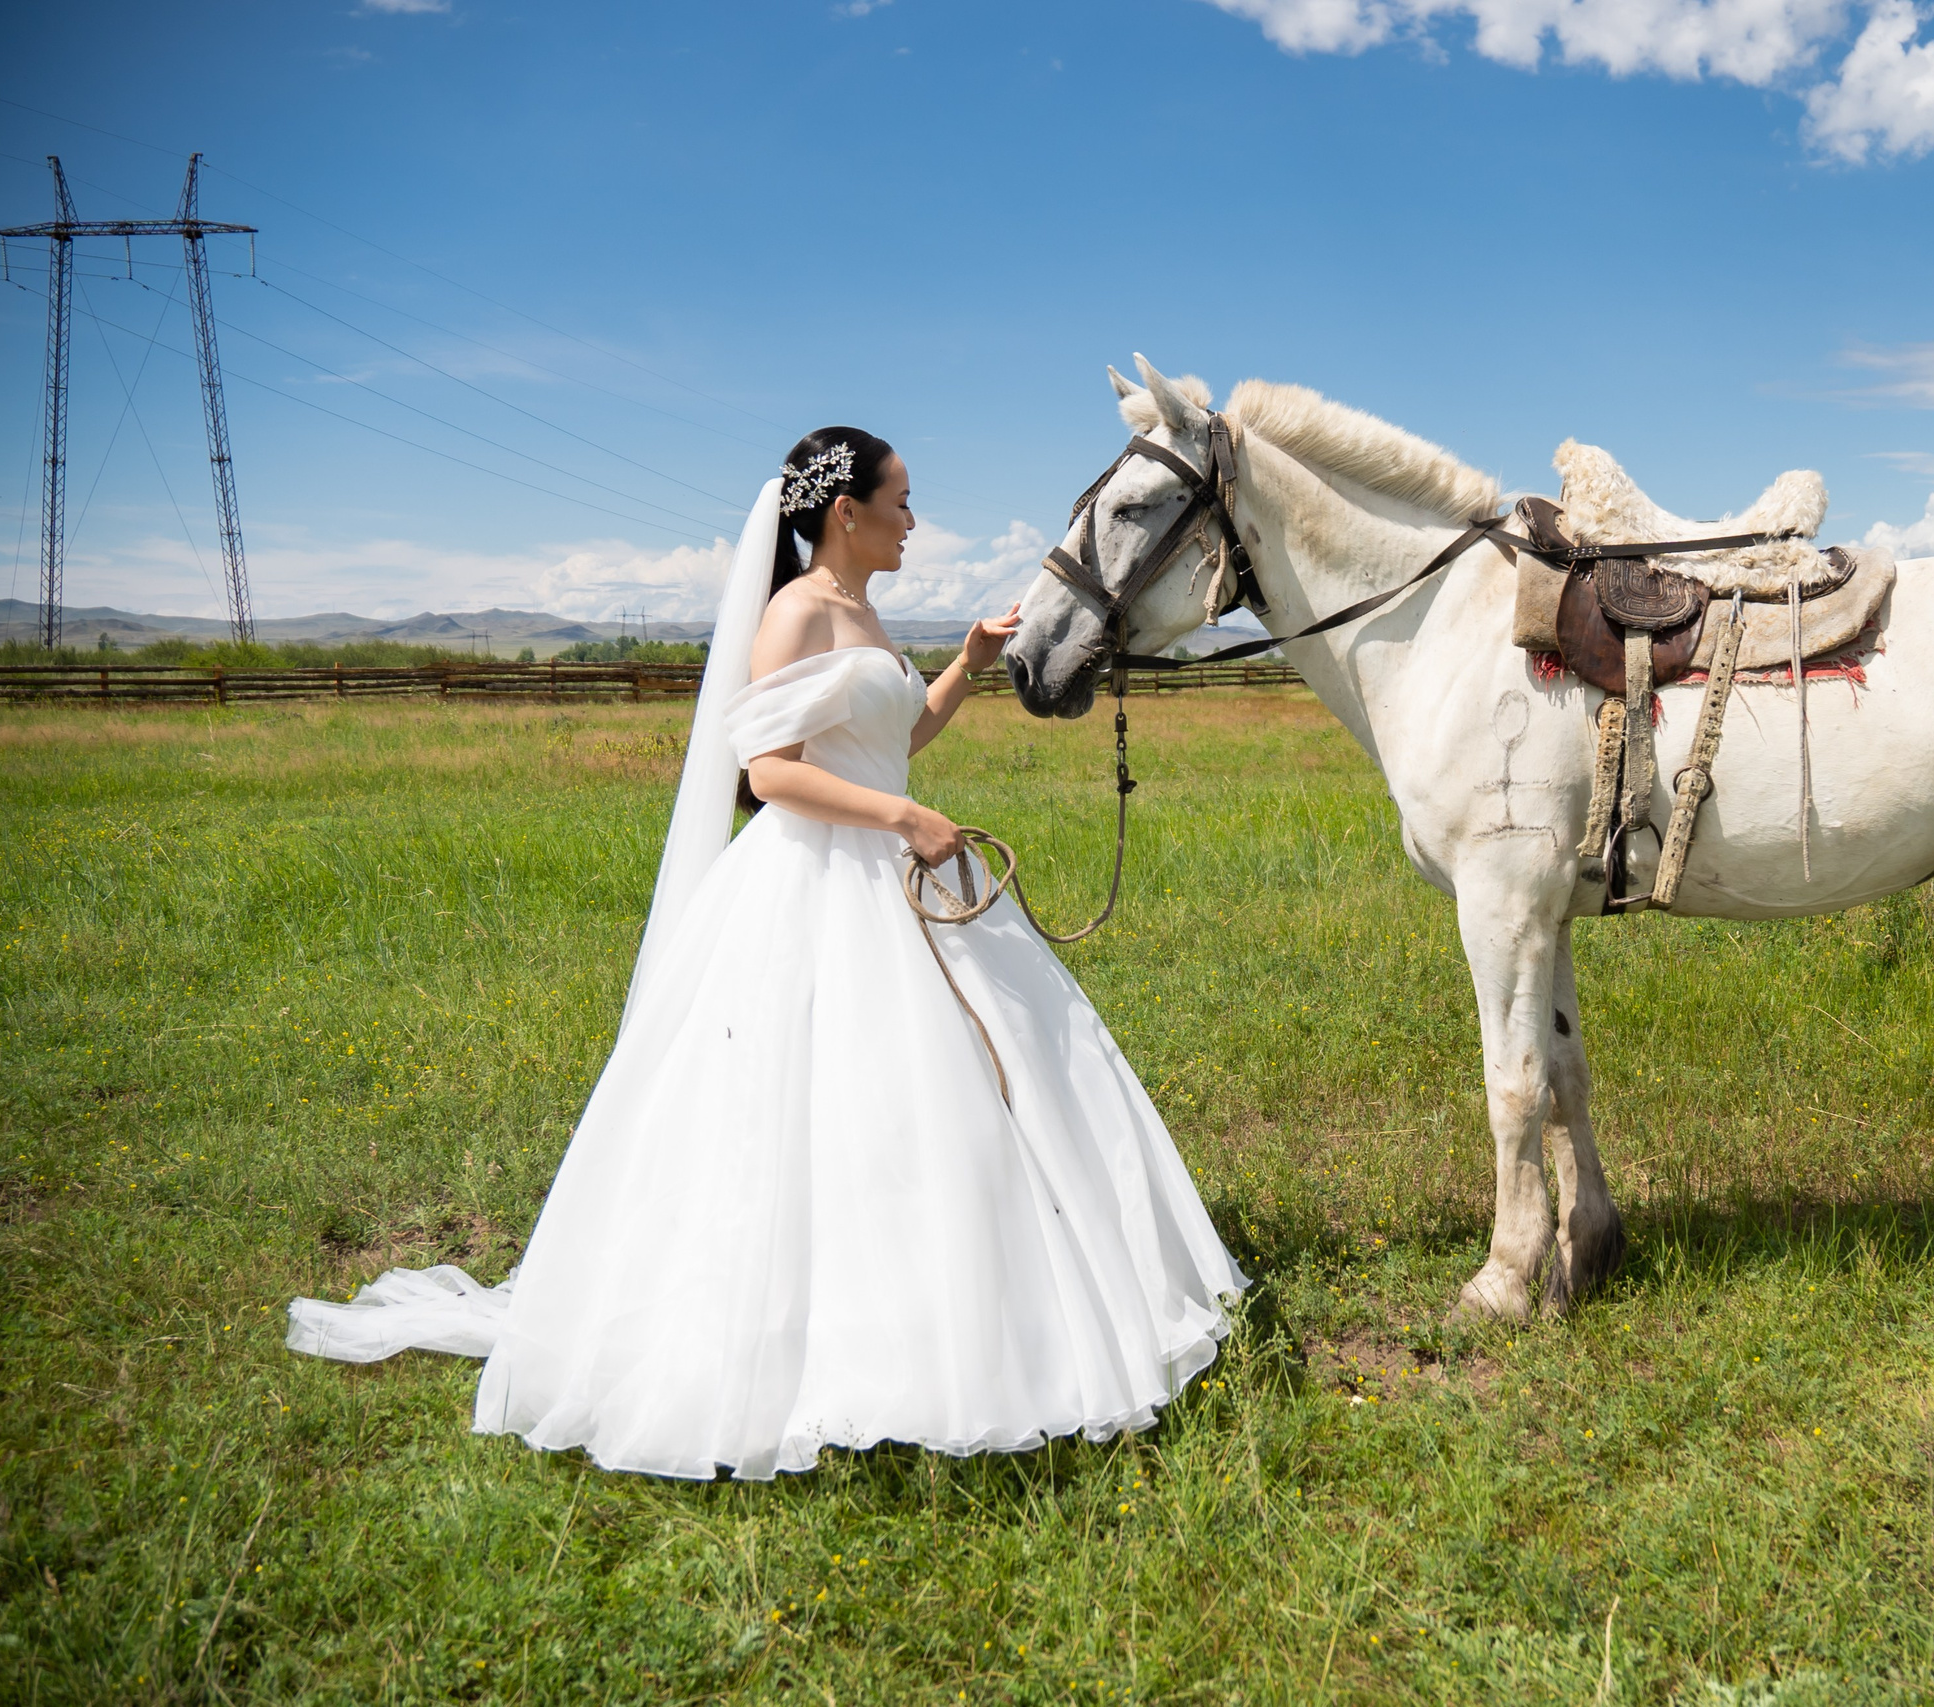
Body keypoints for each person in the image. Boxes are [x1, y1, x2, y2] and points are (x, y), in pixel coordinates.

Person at [288, 428, 1247, 1479]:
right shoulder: (794, 615)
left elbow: (889, 741)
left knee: (964, 1091)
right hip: (821, 878)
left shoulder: (863, 613)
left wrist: (964, 670)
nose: (914, 523)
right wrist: (903, 820)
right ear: (847, 511)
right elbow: (769, 776)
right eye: (902, 502)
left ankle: (964, 1304)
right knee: (844, 1102)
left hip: (887, 857)